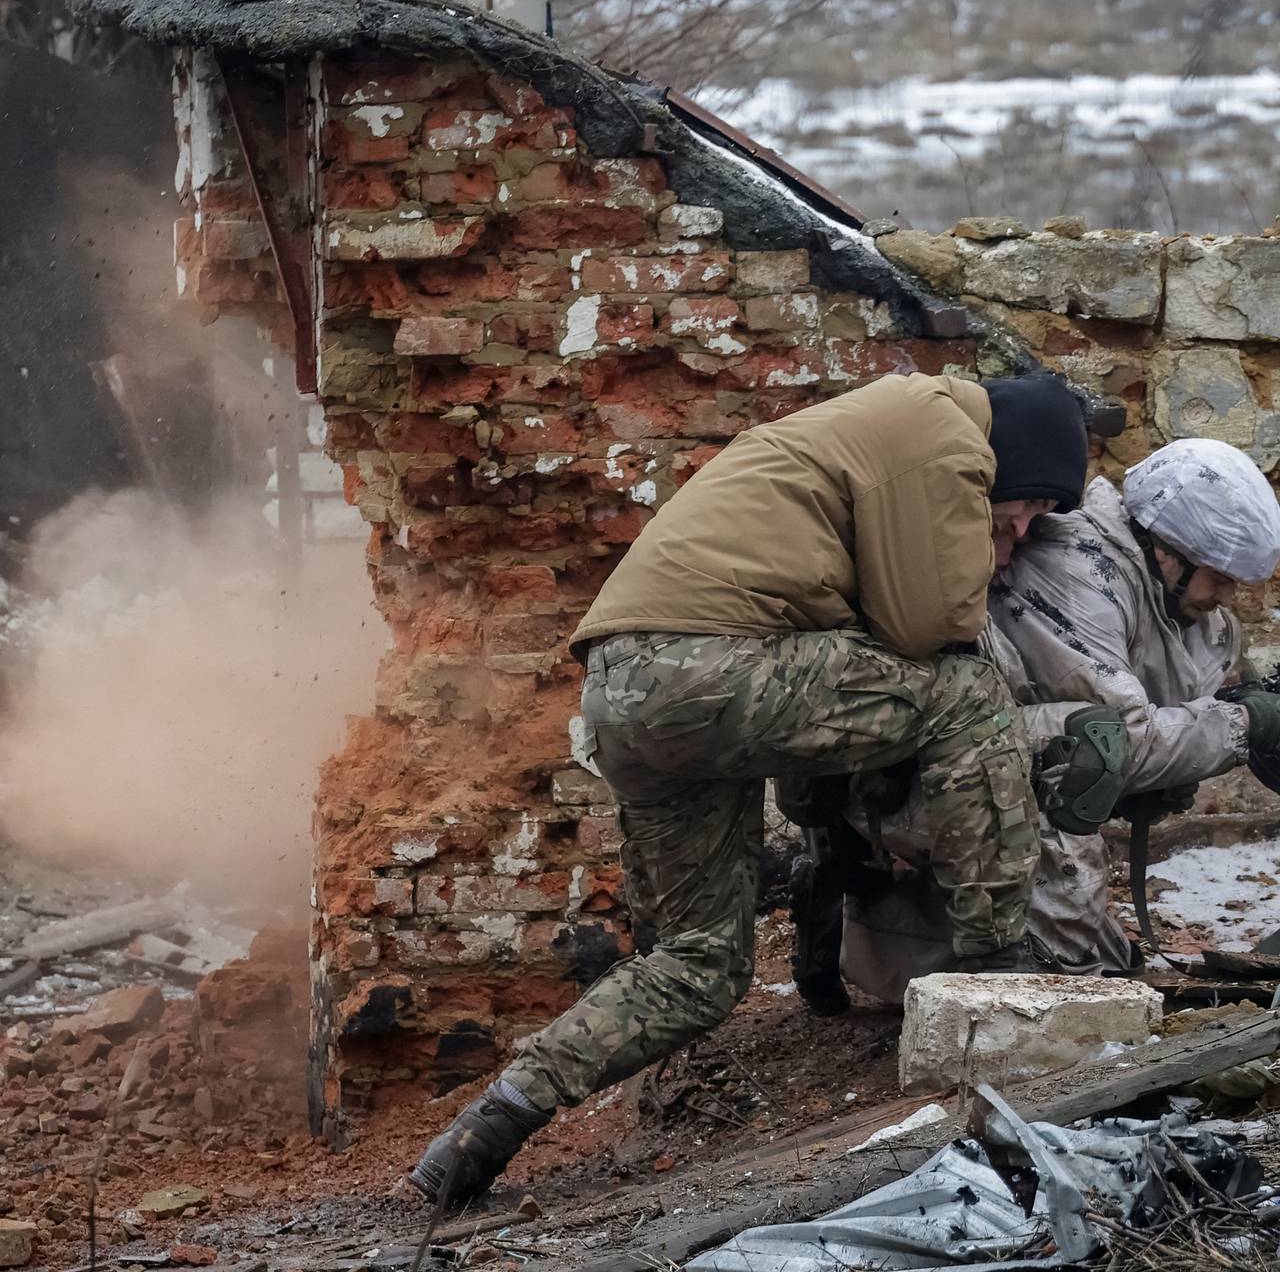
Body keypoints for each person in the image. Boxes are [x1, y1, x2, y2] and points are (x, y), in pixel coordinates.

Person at [408, 370, 1092, 1206]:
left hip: (629, 692)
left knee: (698, 966)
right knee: (966, 691)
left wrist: (824, 822)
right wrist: (977, 557)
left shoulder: (868, 428)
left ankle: (491, 1124)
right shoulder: (941, 430)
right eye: (1021, 514)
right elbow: (929, 628)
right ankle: (1000, 976)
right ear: (1010, 461)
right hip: (704, 666)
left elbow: (841, 671)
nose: (1018, 536)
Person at [830, 436, 1280, 1002]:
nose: (1227, 595)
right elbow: (1121, 740)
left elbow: (1178, 707)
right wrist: (1246, 725)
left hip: (1009, 775)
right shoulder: (1072, 573)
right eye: (1218, 574)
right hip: (938, 780)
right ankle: (866, 920)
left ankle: (888, 918)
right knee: (1064, 984)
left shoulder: (1176, 599)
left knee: (1104, 963)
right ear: (1167, 548)